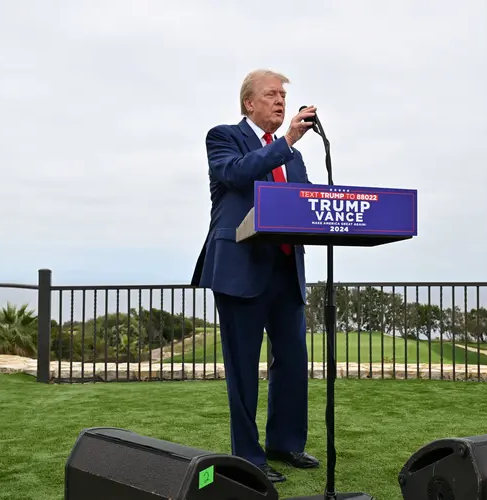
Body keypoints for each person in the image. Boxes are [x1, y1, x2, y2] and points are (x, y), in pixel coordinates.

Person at [190, 69, 320, 483]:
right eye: (271, 95)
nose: (281, 101)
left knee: (293, 361)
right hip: (240, 269)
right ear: (249, 103)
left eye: (284, 95)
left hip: (285, 270)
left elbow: (305, 203)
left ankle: (285, 443)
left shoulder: (293, 157)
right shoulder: (224, 137)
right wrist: (287, 142)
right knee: (244, 367)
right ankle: (249, 456)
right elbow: (236, 173)